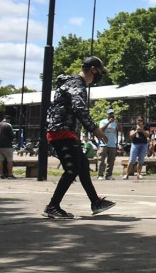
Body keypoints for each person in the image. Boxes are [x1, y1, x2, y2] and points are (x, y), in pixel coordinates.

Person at [43, 57, 115, 219]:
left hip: (64, 131)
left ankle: (95, 201)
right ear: (93, 69)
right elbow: (79, 107)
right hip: (61, 131)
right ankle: (53, 206)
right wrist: (95, 129)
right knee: (72, 169)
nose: (99, 77)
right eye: (100, 72)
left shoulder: (71, 83)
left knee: (82, 167)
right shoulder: (77, 84)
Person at [97, 108, 120, 180]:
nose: (111, 115)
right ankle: (100, 175)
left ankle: (109, 175)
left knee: (111, 161)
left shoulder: (115, 123)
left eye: (112, 114)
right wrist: (108, 123)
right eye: (110, 114)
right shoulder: (103, 121)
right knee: (101, 160)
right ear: (107, 115)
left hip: (112, 144)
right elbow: (100, 130)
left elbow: (120, 130)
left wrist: (118, 123)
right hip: (104, 144)